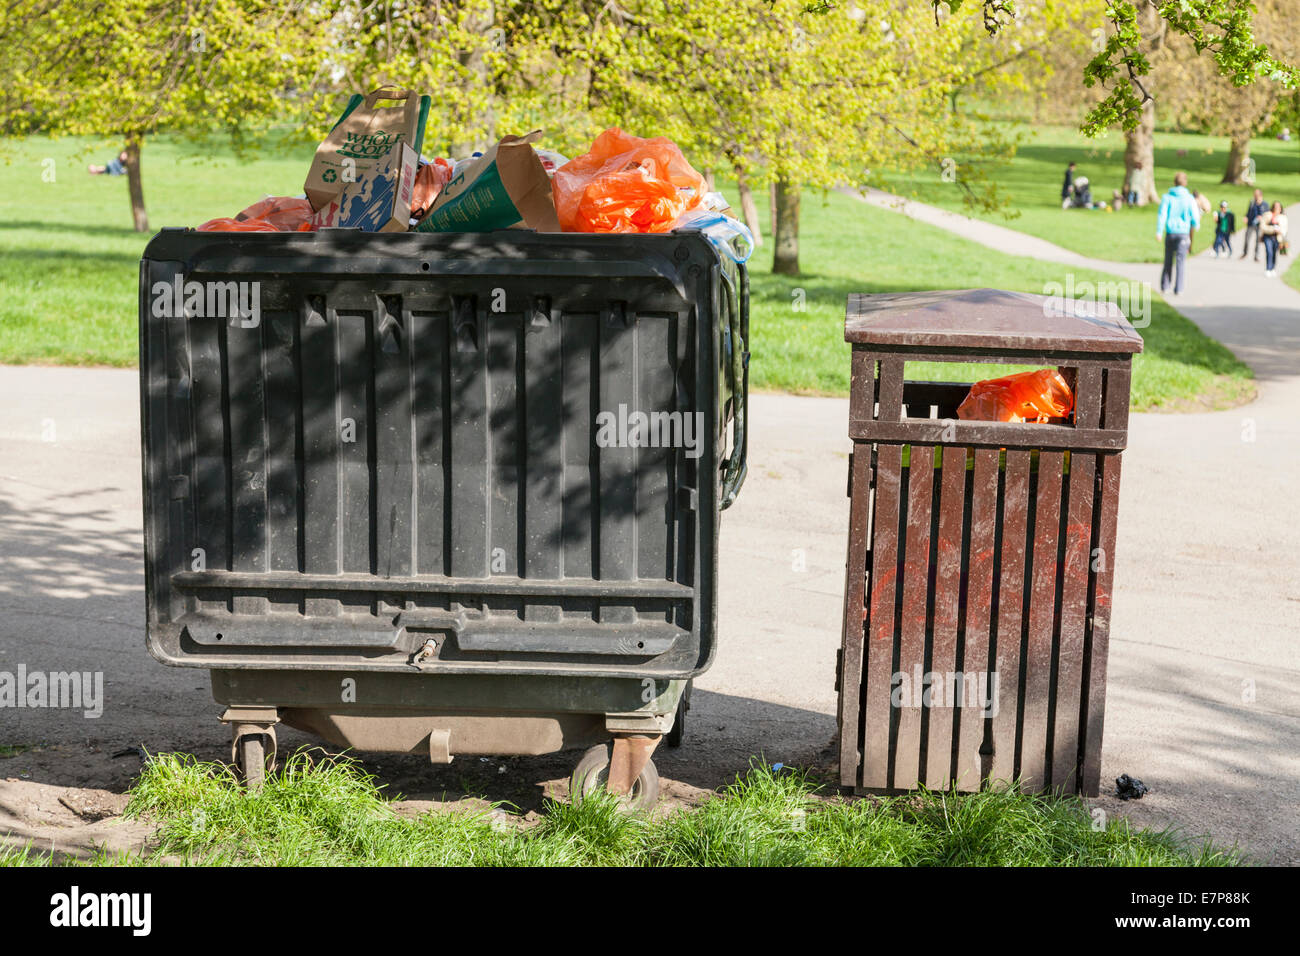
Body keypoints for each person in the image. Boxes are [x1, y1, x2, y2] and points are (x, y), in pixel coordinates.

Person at [1156, 171, 1200, 295]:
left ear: (1174, 182)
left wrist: (1159, 231)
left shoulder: (1167, 197)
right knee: (1181, 261)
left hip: (1170, 232)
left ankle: (1165, 286)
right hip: (1183, 233)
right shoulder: (1189, 198)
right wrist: (1196, 225)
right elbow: (1194, 214)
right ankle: (1178, 288)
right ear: (1185, 183)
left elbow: (1162, 215)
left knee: (1168, 260)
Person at [1259, 201, 1289, 277]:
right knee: (1269, 252)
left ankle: (1273, 268)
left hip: (1277, 238)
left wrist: (1280, 231)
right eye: (1275, 207)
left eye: (1278, 207)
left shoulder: (1283, 217)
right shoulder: (1267, 215)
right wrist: (1272, 229)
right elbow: (1262, 226)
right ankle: (1268, 269)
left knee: (1274, 253)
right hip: (1268, 236)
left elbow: (1285, 229)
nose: (1277, 208)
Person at [1241, 188, 1267, 261]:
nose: (1255, 196)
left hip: (1259, 225)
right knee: (1247, 238)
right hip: (1251, 224)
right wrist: (1246, 217)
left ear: (1260, 195)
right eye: (1254, 195)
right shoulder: (1252, 202)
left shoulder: (1265, 204)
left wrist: (1261, 217)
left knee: (1257, 241)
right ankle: (1245, 253)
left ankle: (1256, 256)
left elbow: (1267, 214)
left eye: (1256, 195)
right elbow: (1248, 211)